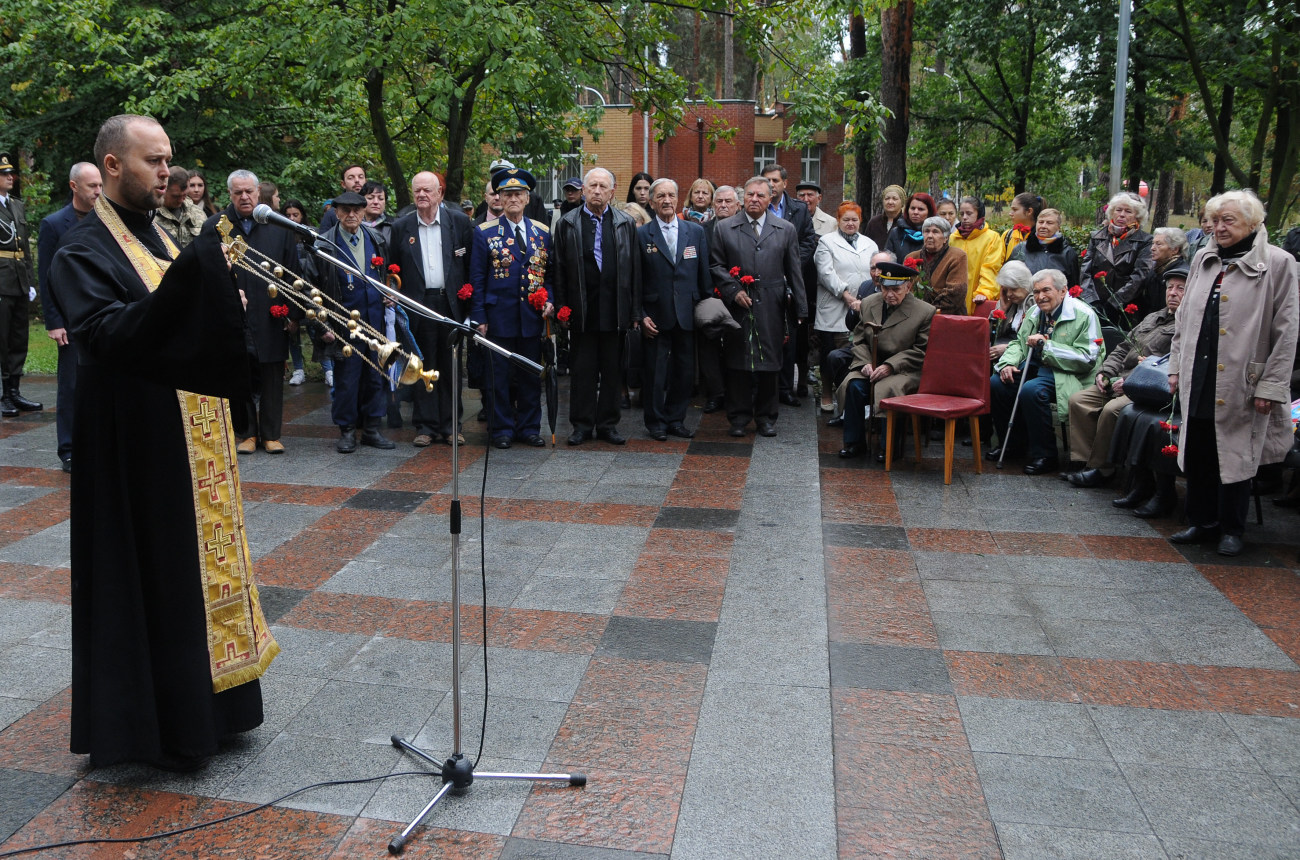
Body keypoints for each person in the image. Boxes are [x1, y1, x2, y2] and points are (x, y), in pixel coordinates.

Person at [47, 114, 277, 770]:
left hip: (186, 438)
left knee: (194, 570)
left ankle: (216, 709)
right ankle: (167, 723)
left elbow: (181, 324)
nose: (166, 173)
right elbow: (111, 335)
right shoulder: (80, 250)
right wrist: (196, 277)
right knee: (158, 572)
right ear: (113, 165)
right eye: (153, 160)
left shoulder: (163, 238)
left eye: (169, 159)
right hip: (134, 451)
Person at [1167, 189, 1298, 556]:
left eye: (1229, 221)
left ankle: (1231, 529)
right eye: (1216, 220)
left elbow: (1287, 332)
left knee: (1237, 453)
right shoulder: (1203, 258)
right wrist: (1176, 367)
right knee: (1200, 449)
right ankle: (1201, 521)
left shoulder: (1280, 263)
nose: (1219, 228)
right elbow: (1184, 320)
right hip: (1201, 370)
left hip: (1245, 377)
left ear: (1253, 224)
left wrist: (1271, 386)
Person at [1064, 264, 1184, 489]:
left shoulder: (1187, 325)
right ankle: (1083, 461)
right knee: (1078, 401)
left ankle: (1103, 469)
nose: (1173, 293)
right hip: (1119, 378)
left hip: (1145, 387)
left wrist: (1129, 383)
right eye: (1170, 288)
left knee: (1111, 411)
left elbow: (1168, 366)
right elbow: (1122, 348)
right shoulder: (1153, 317)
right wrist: (1105, 373)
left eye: (1180, 289)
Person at [709, 175, 807, 437]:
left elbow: (794, 270)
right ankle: (738, 417)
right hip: (739, 306)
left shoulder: (785, 229)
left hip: (772, 304)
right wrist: (733, 291)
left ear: (770, 199)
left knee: (771, 363)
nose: (754, 199)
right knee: (737, 362)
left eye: (760, 195)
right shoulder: (725, 228)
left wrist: (800, 309)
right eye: (750, 194)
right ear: (743, 198)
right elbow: (716, 265)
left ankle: (766, 418)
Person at [553, 167, 640, 446]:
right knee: (583, 371)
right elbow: (560, 271)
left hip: (615, 309)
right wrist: (563, 309)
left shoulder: (626, 223)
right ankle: (581, 425)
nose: (597, 191)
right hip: (582, 309)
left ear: (613, 192)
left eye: (603, 186)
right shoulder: (567, 223)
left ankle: (607, 425)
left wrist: (635, 311)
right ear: (583, 190)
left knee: (613, 371)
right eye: (592, 186)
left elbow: (636, 270)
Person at [987, 268, 1104, 474]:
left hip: (1070, 373)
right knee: (998, 383)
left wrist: (1046, 346)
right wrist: (1007, 363)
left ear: (1062, 291)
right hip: (1038, 366)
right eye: (1036, 292)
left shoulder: (1084, 314)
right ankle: (1013, 445)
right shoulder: (1034, 312)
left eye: (1046, 290)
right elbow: (1019, 343)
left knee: (1032, 390)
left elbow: (1088, 358)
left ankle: (1045, 455)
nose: (1040, 297)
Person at [468, 167, 553, 448]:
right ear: (499, 199)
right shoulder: (484, 232)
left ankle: (529, 427)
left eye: (518, 194)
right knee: (498, 377)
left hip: (530, 316)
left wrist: (549, 299)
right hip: (498, 317)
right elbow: (477, 278)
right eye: (507, 194)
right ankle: (501, 429)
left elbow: (548, 274)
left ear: (527, 198)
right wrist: (479, 315)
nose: (513, 198)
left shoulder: (541, 232)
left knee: (530, 375)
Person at [390, 170, 473, 447]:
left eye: (427, 190)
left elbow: (470, 264)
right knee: (422, 364)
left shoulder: (460, 222)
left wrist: (470, 307)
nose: (422, 195)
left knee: (450, 367)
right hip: (417, 304)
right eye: (417, 191)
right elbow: (393, 267)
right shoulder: (402, 226)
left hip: (451, 304)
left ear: (440, 193)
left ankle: (451, 426)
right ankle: (424, 426)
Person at [313, 190, 397, 453]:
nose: (352, 215)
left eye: (357, 210)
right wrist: (322, 325)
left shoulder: (376, 238)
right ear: (336, 212)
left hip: (375, 322)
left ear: (364, 211)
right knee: (347, 380)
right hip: (343, 325)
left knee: (376, 377)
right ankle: (347, 430)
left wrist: (389, 294)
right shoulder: (324, 244)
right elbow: (311, 288)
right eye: (346, 210)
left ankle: (372, 428)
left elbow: (387, 275)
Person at [225, 169, 300, 455]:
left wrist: (293, 314)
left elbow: (293, 273)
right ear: (230, 195)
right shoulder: (218, 226)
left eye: (249, 191)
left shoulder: (278, 226)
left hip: (272, 313)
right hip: (236, 313)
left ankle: (270, 433)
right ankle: (246, 433)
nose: (244, 197)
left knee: (271, 374)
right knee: (240, 372)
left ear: (259, 193)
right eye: (238, 192)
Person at [37, 161, 102, 471]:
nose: (98, 192)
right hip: (70, 318)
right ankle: (69, 449)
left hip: (102, 313)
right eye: (92, 187)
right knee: (71, 384)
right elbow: (46, 275)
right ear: (74, 186)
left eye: (101, 185)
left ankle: (97, 442)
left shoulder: (107, 219)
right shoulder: (53, 224)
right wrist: (54, 321)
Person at [836, 262, 936, 461]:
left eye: (896, 289)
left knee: (889, 388)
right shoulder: (869, 303)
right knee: (854, 386)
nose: (889, 294)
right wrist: (865, 362)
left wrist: (890, 366)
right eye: (885, 288)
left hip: (904, 369)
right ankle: (854, 442)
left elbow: (921, 350)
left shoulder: (924, 312)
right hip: (871, 364)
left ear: (908, 287)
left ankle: (889, 446)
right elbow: (858, 338)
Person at [637, 178, 709, 440]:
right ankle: (655, 423)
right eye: (660, 196)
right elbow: (635, 280)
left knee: (684, 372)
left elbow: (704, 278)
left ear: (678, 199)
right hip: (655, 315)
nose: (666, 200)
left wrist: (703, 309)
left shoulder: (696, 232)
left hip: (687, 313)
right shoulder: (642, 234)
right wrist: (641, 314)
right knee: (655, 373)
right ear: (652, 201)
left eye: (670, 195)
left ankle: (676, 419)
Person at [761, 163, 818, 406]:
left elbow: (808, 240)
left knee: (789, 337)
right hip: (764, 279)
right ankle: (765, 390)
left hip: (791, 283)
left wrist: (791, 264)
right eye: (767, 181)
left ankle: (785, 388)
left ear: (785, 183)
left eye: (775, 180)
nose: (771, 185)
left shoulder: (799, 209)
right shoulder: (758, 206)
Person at [813, 203, 878, 413]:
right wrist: (847, 296)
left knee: (856, 351)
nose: (850, 224)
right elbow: (826, 273)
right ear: (838, 221)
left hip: (864, 304)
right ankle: (826, 393)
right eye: (846, 220)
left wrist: (864, 299)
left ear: (861, 221)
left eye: (854, 220)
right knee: (830, 351)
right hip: (834, 304)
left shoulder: (870, 244)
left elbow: (874, 272)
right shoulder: (826, 241)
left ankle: (848, 396)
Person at [0, 152, 40, 419]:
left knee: (18, 338)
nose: (10, 177)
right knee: (2, 340)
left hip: (18, 280)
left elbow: (23, 246)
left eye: (11, 173)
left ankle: (14, 391)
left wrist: (30, 281)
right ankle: (5, 394)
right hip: (0, 281)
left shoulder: (17, 205)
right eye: (4, 174)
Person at [1079, 191, 1154, 324]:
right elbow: (1085, 271)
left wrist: (1114, 303)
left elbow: (1140, 276)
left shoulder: (1145, 241)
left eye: (1128, 211)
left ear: (1137, 216)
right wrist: (1092, 300)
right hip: (1095, 305)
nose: (1122, 215)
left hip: (1125, 309)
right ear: (1112, 212)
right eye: (1118, 210)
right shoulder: (1097, 236)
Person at [698, 185, 740, 414]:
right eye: (719, 202)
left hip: (738, 296)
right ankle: (716, 393)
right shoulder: (701, 231)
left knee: (737, 344)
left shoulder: (744, 229)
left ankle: (736, 393)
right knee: (709, 346)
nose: (723, 205)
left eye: (728, 202)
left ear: (737, 206)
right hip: (709, 296)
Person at [280, 198, 316, 387]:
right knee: (293, 332)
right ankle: (298, 369)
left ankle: (327, 368)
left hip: (309, 289)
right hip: (290, 289)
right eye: (288, 216)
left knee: (315, 327)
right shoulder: (281, 235)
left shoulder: (311, 234)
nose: (292, 218)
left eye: (296, 215)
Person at [950, 196, 1004, 313]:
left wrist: (985, 292)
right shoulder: (953, 238)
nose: (964, 217)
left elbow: (991, 267)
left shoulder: (991, 238)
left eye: (969, 213)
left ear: (979, 214)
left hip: (978, 300)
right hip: (954, 300)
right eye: (962, 213)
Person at [908, 215, 968, 316]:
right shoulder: (911, 257)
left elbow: (956, 292)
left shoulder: (957, 256)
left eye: (935, 232)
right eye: (927, 231)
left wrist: (928, 311)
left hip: (947, 316)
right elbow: (905, 288)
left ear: (946, 238)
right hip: (915, 315)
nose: (930, 236)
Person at [1009, 207, 1081, 287]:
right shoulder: (1020, 249)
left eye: (1049, 223)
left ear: (1058, 227)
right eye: (1040, 222)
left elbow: (1073, 286)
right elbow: (1009, 278)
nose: (1043, 226)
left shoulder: (1067, 253)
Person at [988, 261, 1035, 364]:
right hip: (1003, 345)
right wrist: (1002, 310)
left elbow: (1032, 338)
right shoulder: (1008, 301)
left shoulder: (1034, 302)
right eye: (1006, 290)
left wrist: (1008, 347)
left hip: (1021, 353)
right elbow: (989, 334)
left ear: (1025, 285)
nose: (1009, 294)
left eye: (1013, 289)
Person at [1134, 226, 1188, 315]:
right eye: (1153, 243)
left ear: (1174, 249)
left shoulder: (1180, 274)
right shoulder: (1155, 270)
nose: (1152, 248)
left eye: (1158, 244)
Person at [154, 166, 204, 249]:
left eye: (184, 195)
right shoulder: (150, 215)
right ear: (163, 188)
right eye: (175, 196)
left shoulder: (198, 213)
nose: (181, 200)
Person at [884, 192, 935, 261]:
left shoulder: (936, 234)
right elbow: (887, 261)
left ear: (930, 212)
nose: (915, 212)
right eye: (912, 208)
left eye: (921, 209)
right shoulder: (896, 233)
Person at [318, 163, 367, 232]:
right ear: (343, 184)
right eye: (351, 178)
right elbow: (323, 240)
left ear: (366, 181)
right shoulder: (332, 213)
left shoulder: (374, 208)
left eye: (360, 177)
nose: (357, 180)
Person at [1000, 192, 1044, 259]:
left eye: (1015, 209)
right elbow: (998, 264)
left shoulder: (1043, 237)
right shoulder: (1007, 236)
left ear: (1029, 211)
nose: (1010, 213)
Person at [865, 184, 904, 248]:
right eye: (887, 198)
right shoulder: (874, 222)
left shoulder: (906, 222)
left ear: (902, 202)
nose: (890, 202)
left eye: (895, 199)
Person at [361, 179, 394, 244]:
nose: (376, 202)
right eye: (370, 198)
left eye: (380, 198)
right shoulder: (354, 225)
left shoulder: (395, 225)